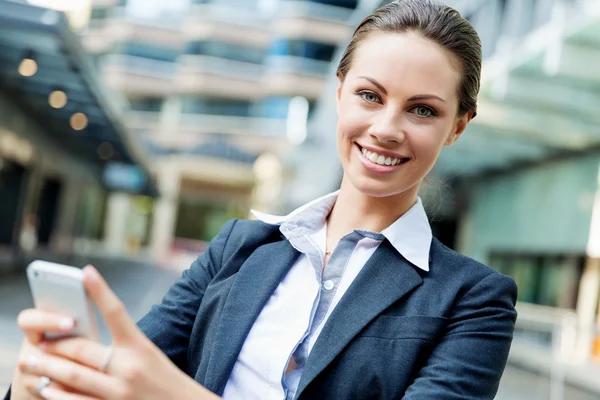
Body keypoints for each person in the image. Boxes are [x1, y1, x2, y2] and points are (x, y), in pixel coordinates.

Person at [6, 1, 518, 399]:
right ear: (339, 93)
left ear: (457, 126)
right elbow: (125, 371)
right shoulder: (239, 248)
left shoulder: (473, 302)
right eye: (370, 95)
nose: (386, 129)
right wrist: (46, 383)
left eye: (422, 110)